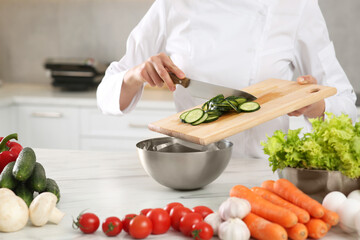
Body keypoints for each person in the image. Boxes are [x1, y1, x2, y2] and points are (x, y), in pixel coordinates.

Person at [96, 0, 357, 158]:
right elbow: (106, 92)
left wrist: (317, 106)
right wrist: (135, 76)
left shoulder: (295, 6)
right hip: (191, 168)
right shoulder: (172, 4)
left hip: (266, 176)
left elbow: (346, 102)